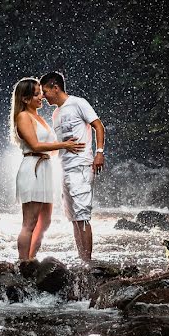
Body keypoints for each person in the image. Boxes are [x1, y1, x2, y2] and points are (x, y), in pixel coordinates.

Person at [11, 77, 85, 260]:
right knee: (30, 222)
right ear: (25, 99)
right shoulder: (23, 116)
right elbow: (35, 146)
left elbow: (48, 146)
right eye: (36, 94)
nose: (41, 97)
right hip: (32, 169)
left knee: (45, 222)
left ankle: (32, 258)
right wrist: (63, 145)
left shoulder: (38, 117)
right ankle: (23, 263)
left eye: (41, 93)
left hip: (44, 169)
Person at [40, 71, 105, 263]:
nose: (43, 96)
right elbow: (60, 143)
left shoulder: (78, 103)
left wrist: (99, 152)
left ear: (55, 87)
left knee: (83, 215)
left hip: (81, 166)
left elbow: (98, 126)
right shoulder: (56, 113)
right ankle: (82, 260)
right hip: (65, 168)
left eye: (45, 91)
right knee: (74, 217)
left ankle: (88, 262)